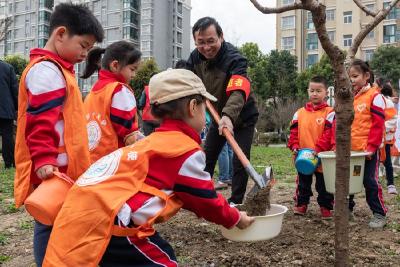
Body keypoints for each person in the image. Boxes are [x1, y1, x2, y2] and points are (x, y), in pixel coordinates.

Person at [43, 69, 254, 266]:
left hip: (81, 214)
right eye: (203, 107)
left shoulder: (153, 143)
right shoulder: (182, 151)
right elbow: (206, 200)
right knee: (163, 262)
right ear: (192, 107)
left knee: (157, 251)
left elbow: (185, 194)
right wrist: (236, 218)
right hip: (109, 223)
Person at [13, 3, 104, 266]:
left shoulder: (59, 69)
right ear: (61, 33)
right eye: (84, 46)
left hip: (65, 168)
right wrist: (44, 159)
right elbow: (41, 120)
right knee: (48, 220)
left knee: (61, 222)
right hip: (54, 170)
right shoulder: (47, 71)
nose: (85, 54)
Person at [186, 17, 259, 204]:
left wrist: (228, 117)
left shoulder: (235, 59)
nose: (206, 47)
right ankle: (201, 197)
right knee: (207, 156)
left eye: (211, 41)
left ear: (221, 37)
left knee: (239, 159)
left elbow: (238, 91)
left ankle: (236, 201)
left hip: (242, 117)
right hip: (217, 117)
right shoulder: (195, 58)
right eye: (200, 42)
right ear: (195, 41)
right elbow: (186, 78)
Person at [342, 59, 387, 228]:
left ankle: (379, 213)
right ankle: (347, 211)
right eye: (349, 76)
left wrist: (371, 147)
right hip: (351, 151)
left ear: (366, 76)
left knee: (370, 181)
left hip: (368, 152)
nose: (351, 79)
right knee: (348, 182)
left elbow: (377, 125)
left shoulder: (375, 97)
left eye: (355, 76)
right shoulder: (350, 99)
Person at [81, 41, 143, 163]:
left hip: (91, 161)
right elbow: (129, 134)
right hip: (113, 162)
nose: (134, 75)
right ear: (115, 66)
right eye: (132, 69)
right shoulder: (119, 90)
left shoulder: (93, 91)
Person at [287, 76, 335, 219]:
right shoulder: (299, 113)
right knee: (303, 183)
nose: (315, 94)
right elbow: (294, 133)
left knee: (324, 184)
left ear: (326, 92)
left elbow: (329, 133)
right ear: (308, 91)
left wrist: (318, 150)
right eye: (312, 90)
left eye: (318, 91)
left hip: (322, 157)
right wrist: (294, 146)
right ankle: (302, 204)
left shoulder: (330, 112)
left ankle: (326, 207)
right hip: (303, 157)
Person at [380, 83, 398, 194]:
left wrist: (380, 129)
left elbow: (392, 120)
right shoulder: (386, 101)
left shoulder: (387, 102)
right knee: (385, 162)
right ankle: (389, 184)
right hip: (383, 138)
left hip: (384, 139)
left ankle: (390, 184)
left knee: (386, 162)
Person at [0, 60, 18, 168]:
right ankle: (9, 162)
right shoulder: (8, 67)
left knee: (7, 136)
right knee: (7, 136)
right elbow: (14, 90)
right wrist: (17, 107)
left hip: (6, 108)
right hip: (5, 108)